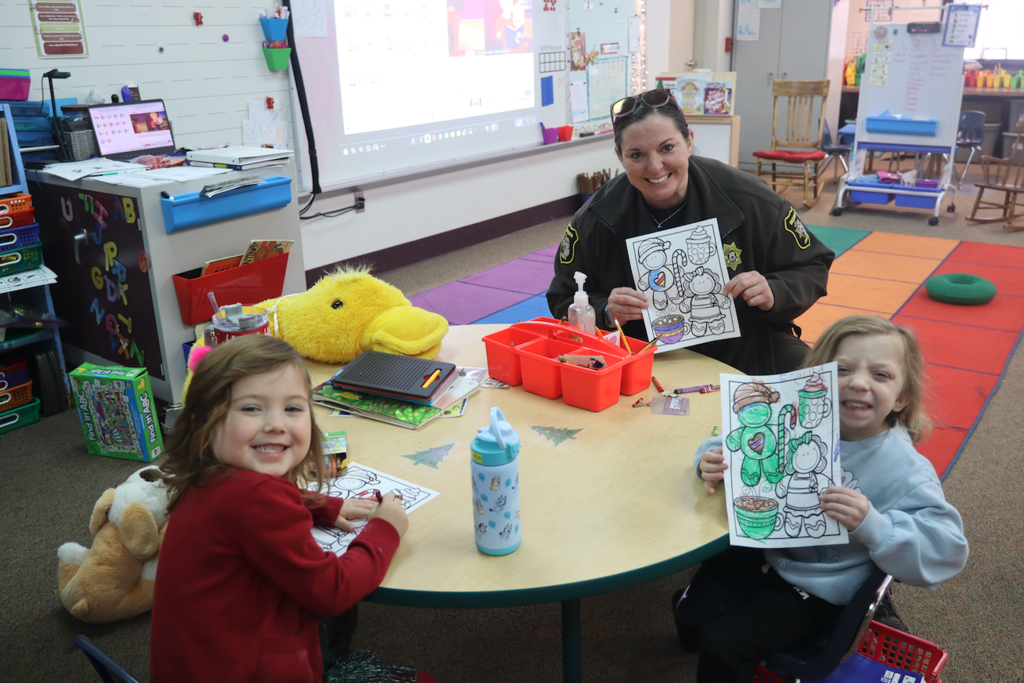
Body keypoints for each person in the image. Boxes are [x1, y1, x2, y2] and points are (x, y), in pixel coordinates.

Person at [678, 315, 968, 683]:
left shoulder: (905, 469)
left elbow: (948, 550)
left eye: (881, 375)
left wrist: (872, 524)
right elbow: (732, 441)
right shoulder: (799, 419)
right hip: (776, 550)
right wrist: (710, 460)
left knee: (723, 643)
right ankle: (690, 620)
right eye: (843, 369)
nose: (859, 383)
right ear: (816, 378)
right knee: (706, 566)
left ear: (902, 397)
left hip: (825, 590)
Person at [150, 335, 409, 683]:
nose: (276, 424)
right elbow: (334, 590)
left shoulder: (209, 473)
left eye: (293, 408)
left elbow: (248, 507)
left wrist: (321, 505)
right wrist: (385, 530)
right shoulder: (255, 500)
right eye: (252, 408)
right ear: (205, 422)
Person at [547, 89, 835, 375]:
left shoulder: (750, 199)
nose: (655, 166)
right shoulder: (597, 218)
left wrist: (773, 290)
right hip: (642, 356)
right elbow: (563, 296)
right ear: (620, 157)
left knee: (819, 377)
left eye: (667, 148)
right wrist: (605, 310)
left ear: (689, 142)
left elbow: (811, 265)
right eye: (637, 154)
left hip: (745, 346)